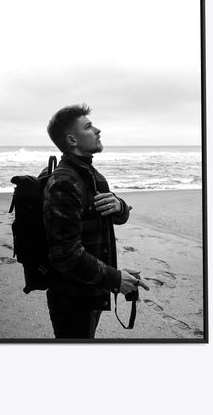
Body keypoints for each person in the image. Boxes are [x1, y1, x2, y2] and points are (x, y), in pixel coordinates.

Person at [43, 103, 142, 339]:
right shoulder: (64, 183)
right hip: (72, 298)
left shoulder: (92, 176)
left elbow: (116, 219)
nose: (98, 130)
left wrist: (119, 206)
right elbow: (66, 255)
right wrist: (115, 277)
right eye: (88, 127)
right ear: (72, 140)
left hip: (92, 288)